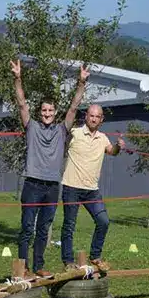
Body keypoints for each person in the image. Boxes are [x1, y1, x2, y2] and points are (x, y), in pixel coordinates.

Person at [12, 60, 88, 276]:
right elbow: (21, 104)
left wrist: (81, 83)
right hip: (32, 184)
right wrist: (18, 78)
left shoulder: (62, 129)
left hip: (53, 187)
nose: (47, 113)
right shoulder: (32, 127)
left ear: (55, 112)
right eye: (44, 110)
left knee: (43, 229)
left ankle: (38, 267)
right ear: (40, 112)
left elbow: (74, 106)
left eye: (51, 110)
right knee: (27, 228)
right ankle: (23, 268)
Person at [60, 104, 125, 271]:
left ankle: (95, 256)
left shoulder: (103, 138)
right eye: (91, 115)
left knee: (103, 221)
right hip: (71, 187)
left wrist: (119, 146)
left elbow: (112, 151)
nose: (94, 118)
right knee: (69, 225)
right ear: (86, 116)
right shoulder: (74, 133)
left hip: (91, 191)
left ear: (101, 119)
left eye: (97, 116)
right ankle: (68, 262)